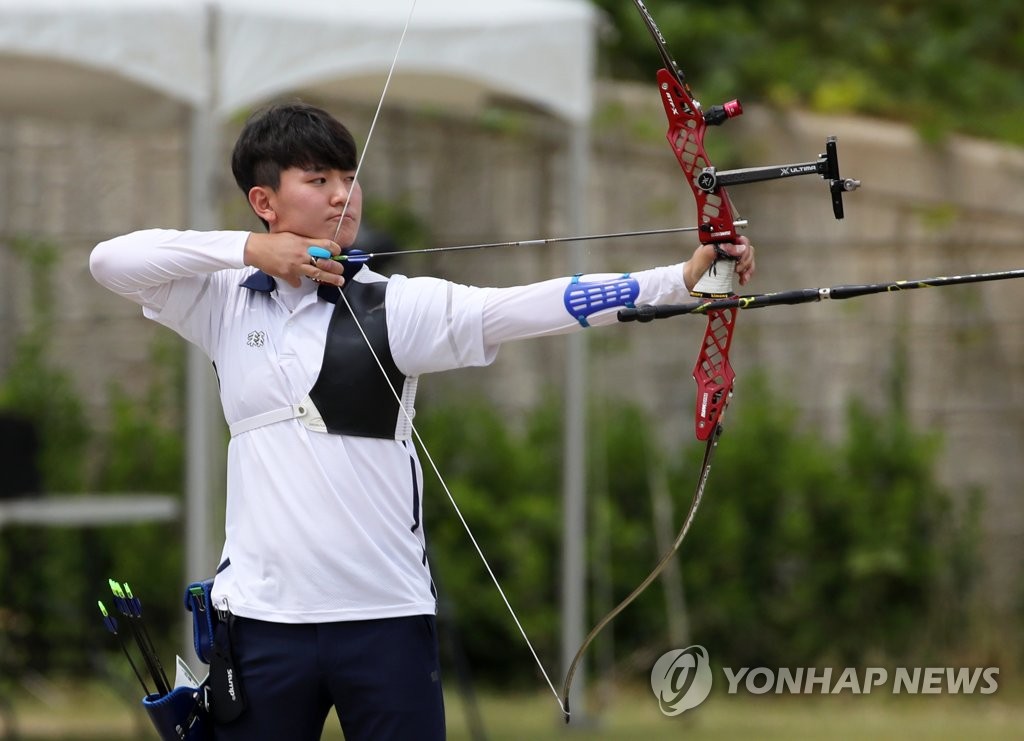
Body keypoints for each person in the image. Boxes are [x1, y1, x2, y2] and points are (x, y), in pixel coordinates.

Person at [89, 101, 754, 740]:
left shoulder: (398, 305)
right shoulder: (222, 301)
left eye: (349, 178)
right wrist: (251, 252)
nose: (343, 195)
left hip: (384, 615)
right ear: (264, 202)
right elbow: (111, 261)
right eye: (318, 180)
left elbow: (531, 305)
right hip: (262, 619)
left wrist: (682, 278)